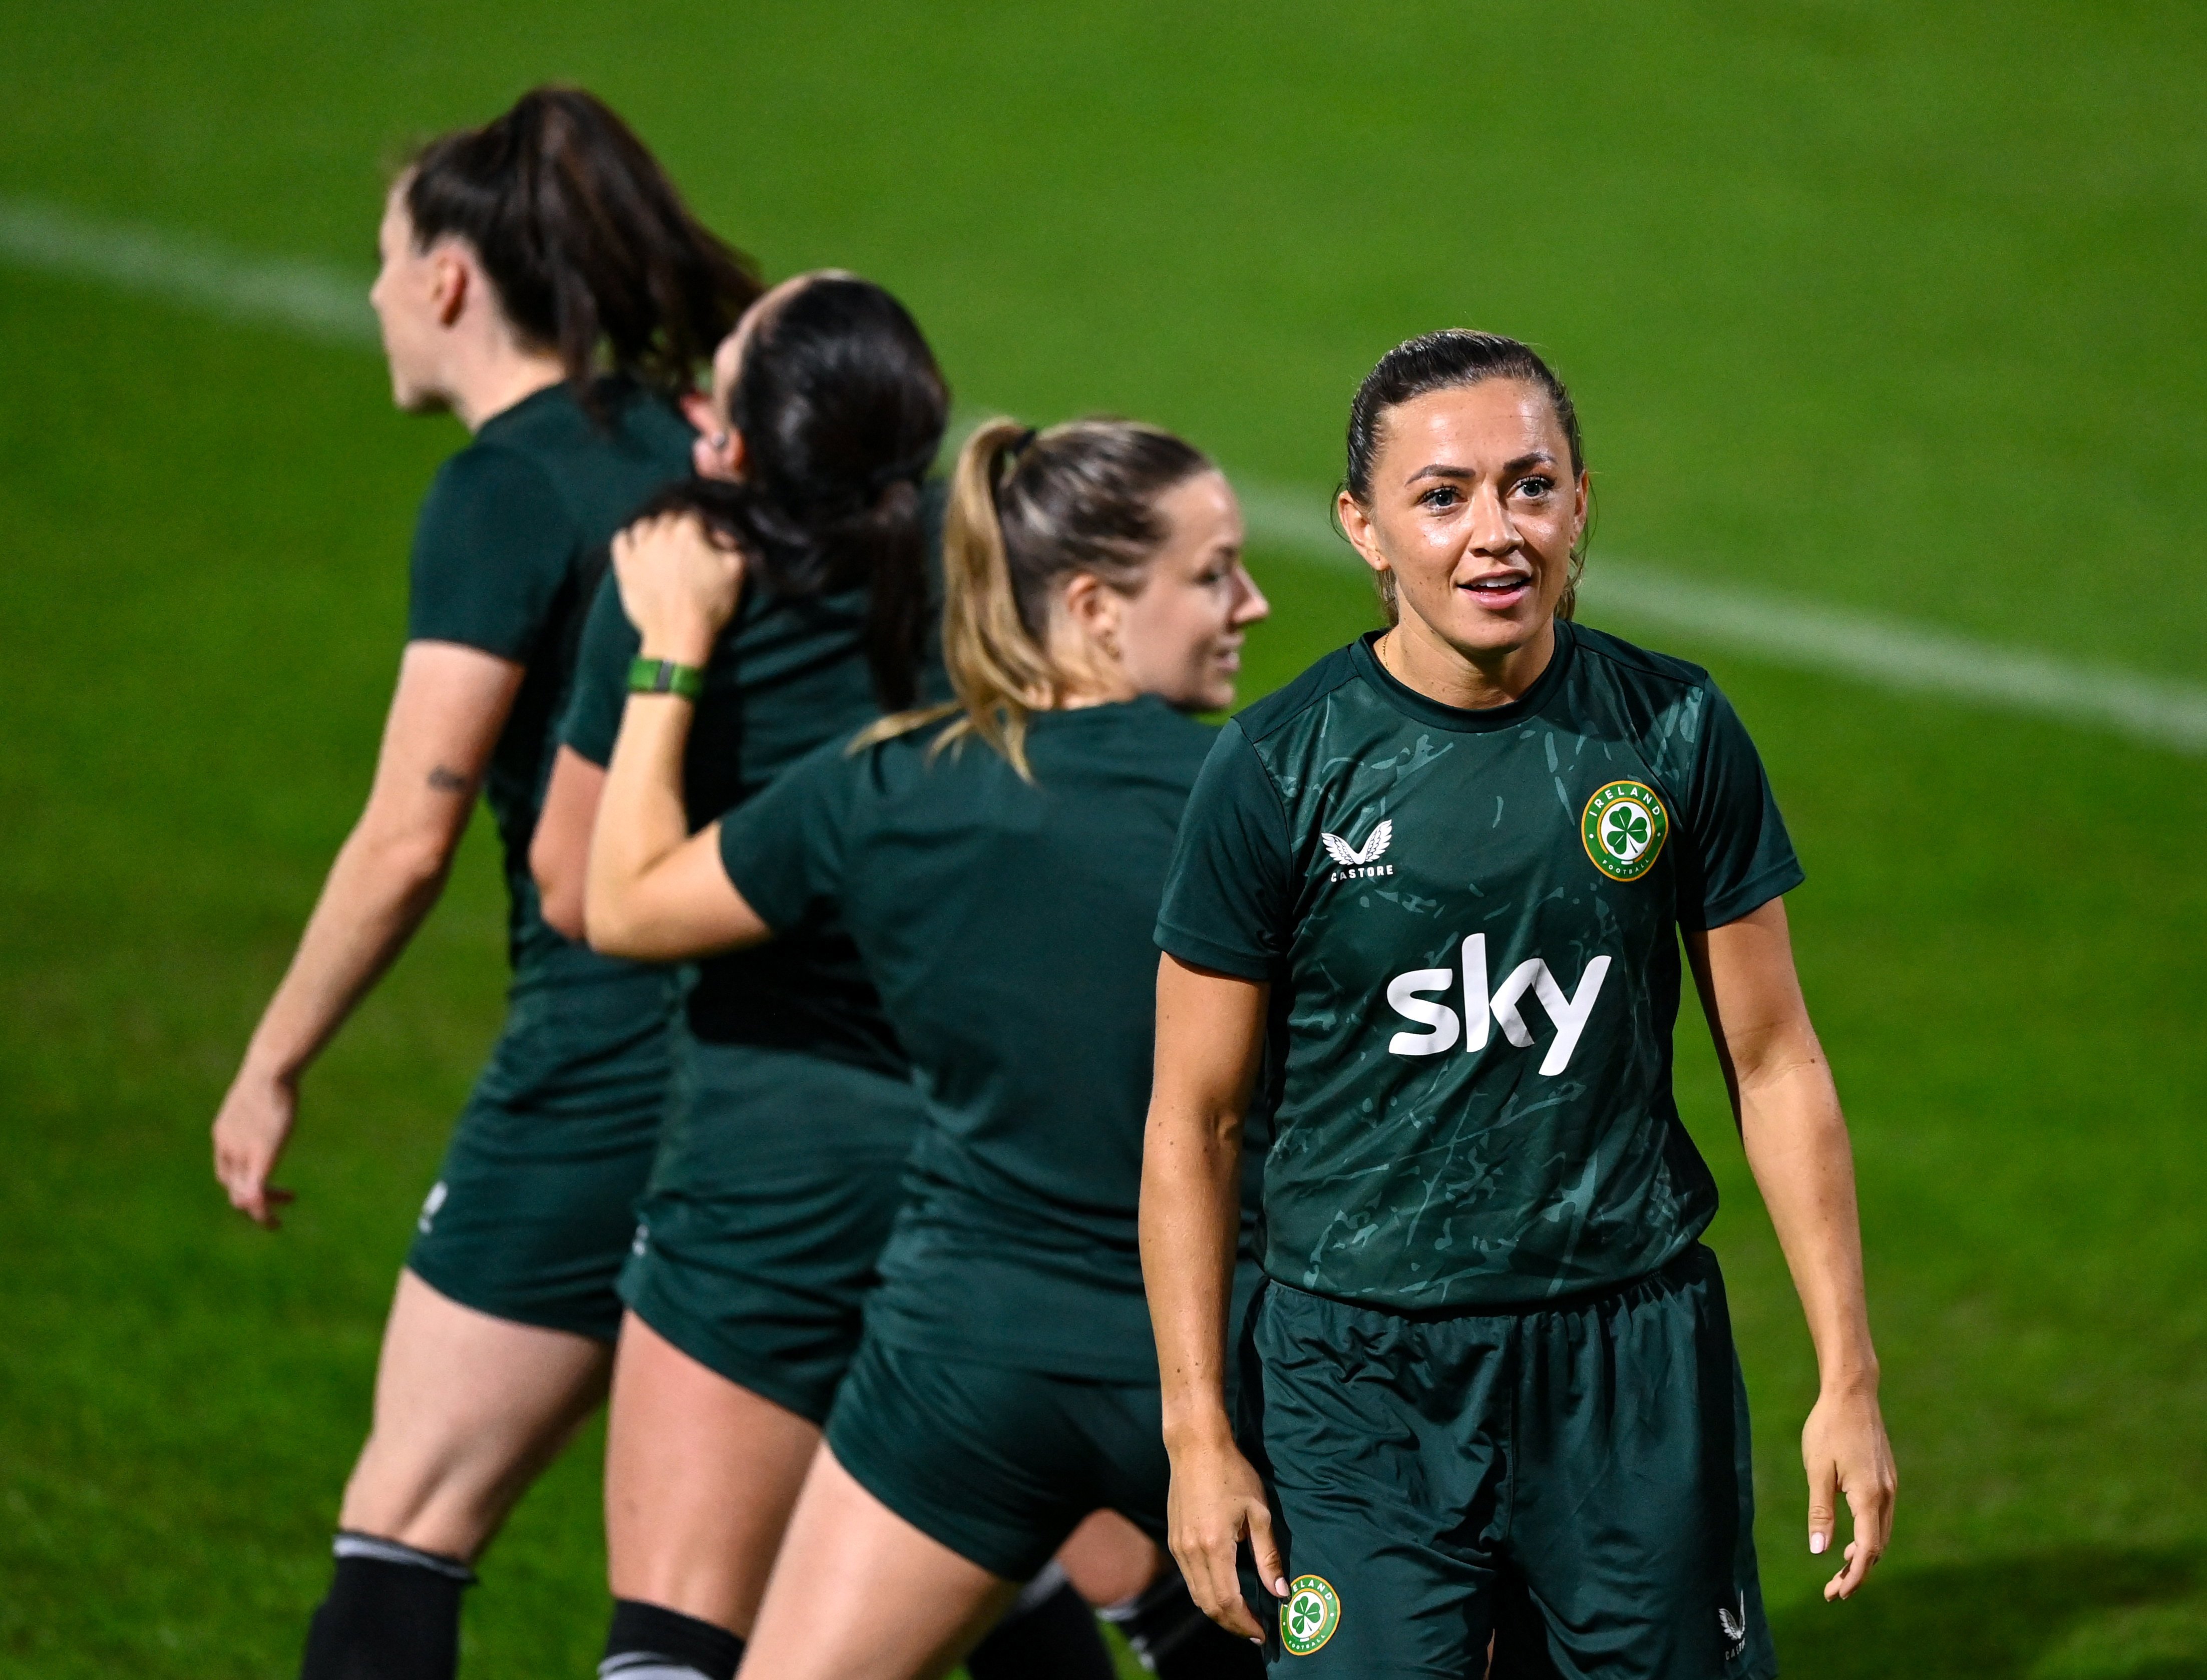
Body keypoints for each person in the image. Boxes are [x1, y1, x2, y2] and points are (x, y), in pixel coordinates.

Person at [1143, 329, 1898, 1680]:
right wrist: (1200, 1433)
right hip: (1355, 1374)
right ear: (1363, 529)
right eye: (1443, 497)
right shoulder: (1277, 770)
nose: (1495, 532)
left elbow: (1774, 1060)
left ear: (1582, 503)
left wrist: (1849, 1377)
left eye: (1529, 486)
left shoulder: (1673, 732)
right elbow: (1192, 1123)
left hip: (1629, 1362)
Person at [206, 87, 759, 1680]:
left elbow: (407, 831)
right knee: (977, 1526)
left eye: (387, 260)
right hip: (798, 1065)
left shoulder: (506, 487)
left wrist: (272, 1058)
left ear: (451, 280)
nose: (375, 293)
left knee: (410, 1511)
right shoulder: (702, 447)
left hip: (605, 1063)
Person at [581, 415, 1274, 1680]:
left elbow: (620, 901)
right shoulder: (1263, 798)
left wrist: (670, 653)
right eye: (1212, 571)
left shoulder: (884, 785)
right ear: (1095, 605)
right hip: (1217, 1380)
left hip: (960, 1370)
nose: (1254, 602)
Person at [532, 270, 1123, 1680]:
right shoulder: (996, 560)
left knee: (678, 1632)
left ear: (737, 444)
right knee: (1027, 1558)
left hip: (771, 1159)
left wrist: (670, 657)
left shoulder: (679, 566)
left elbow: (577, 886)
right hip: (1002, 1152)